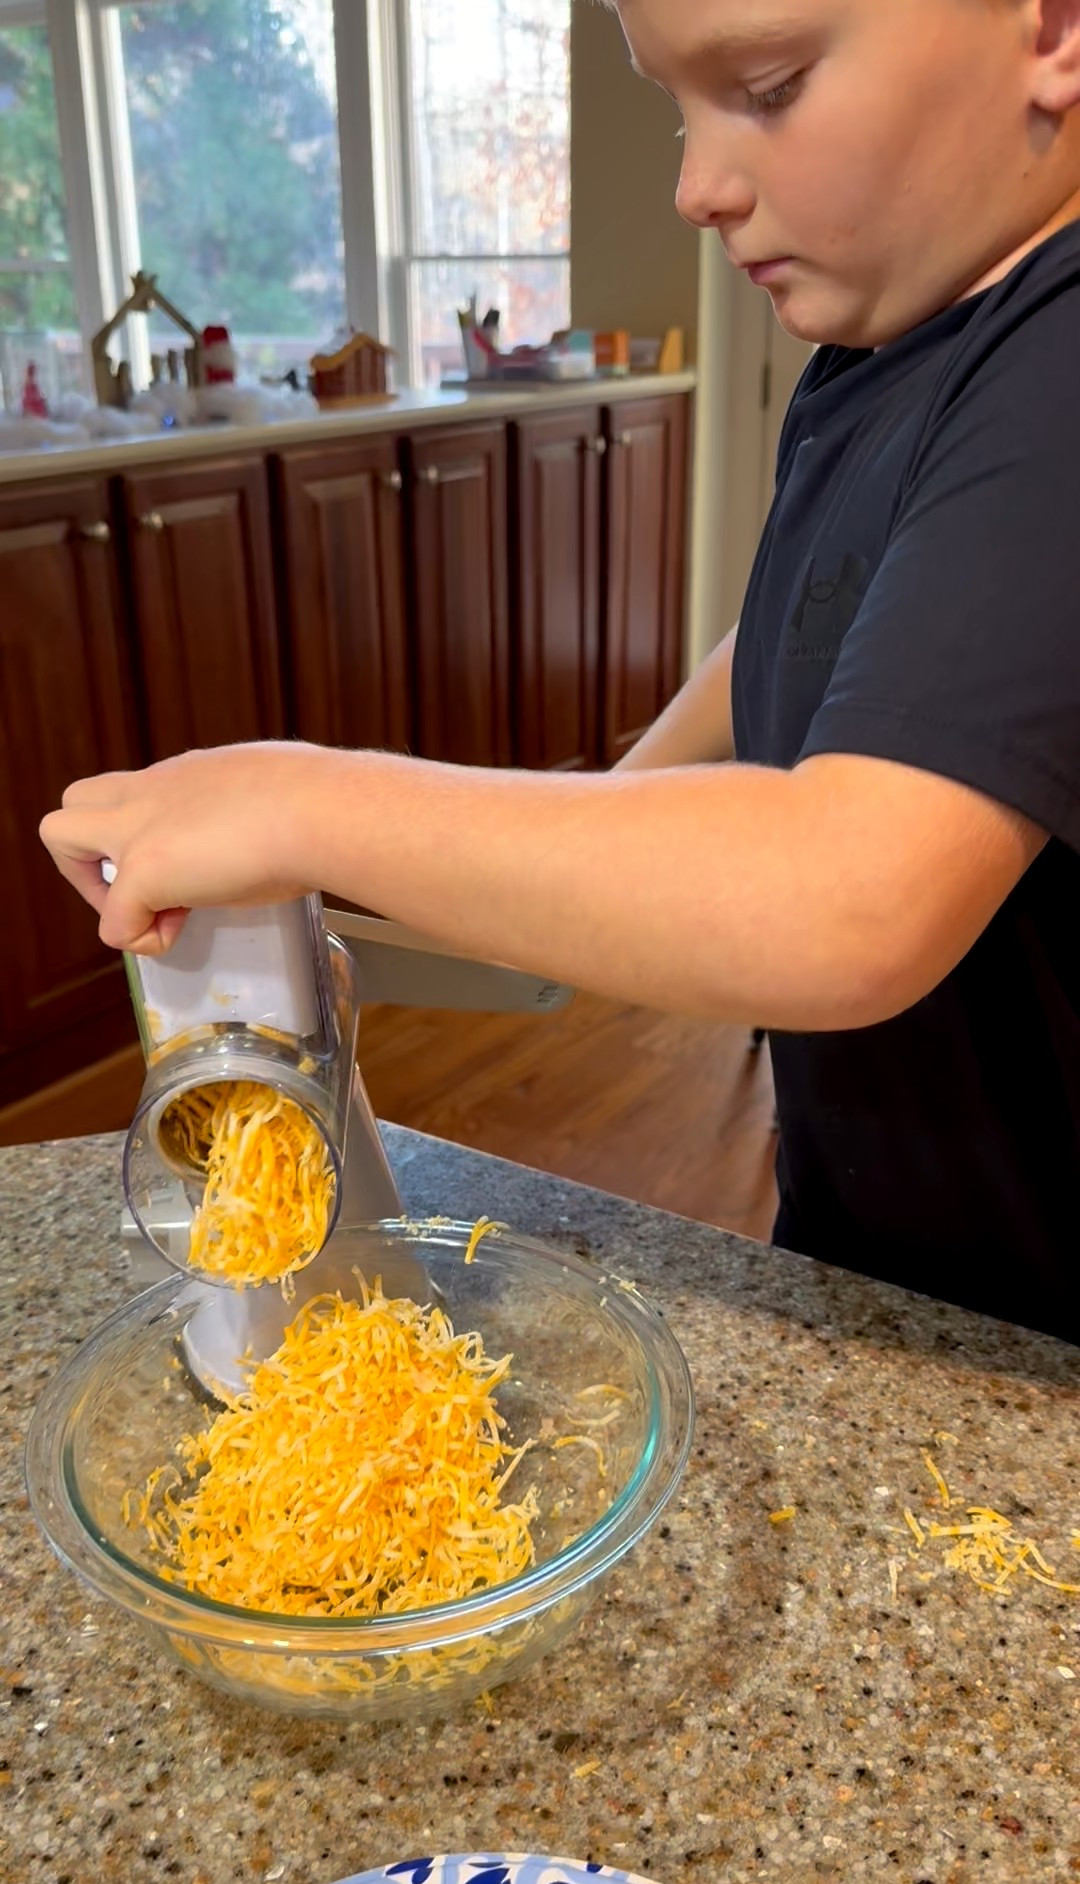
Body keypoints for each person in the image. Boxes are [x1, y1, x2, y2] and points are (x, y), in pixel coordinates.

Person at [40, 0, 1080, 1343]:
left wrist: (304, 800)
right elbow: (825, 619)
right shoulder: (884, 348)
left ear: (1052, 25)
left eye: (766, 85)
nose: (697, 184)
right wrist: (614, 803)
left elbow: (856, 895)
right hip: (882, 1266)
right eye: (674, 104)